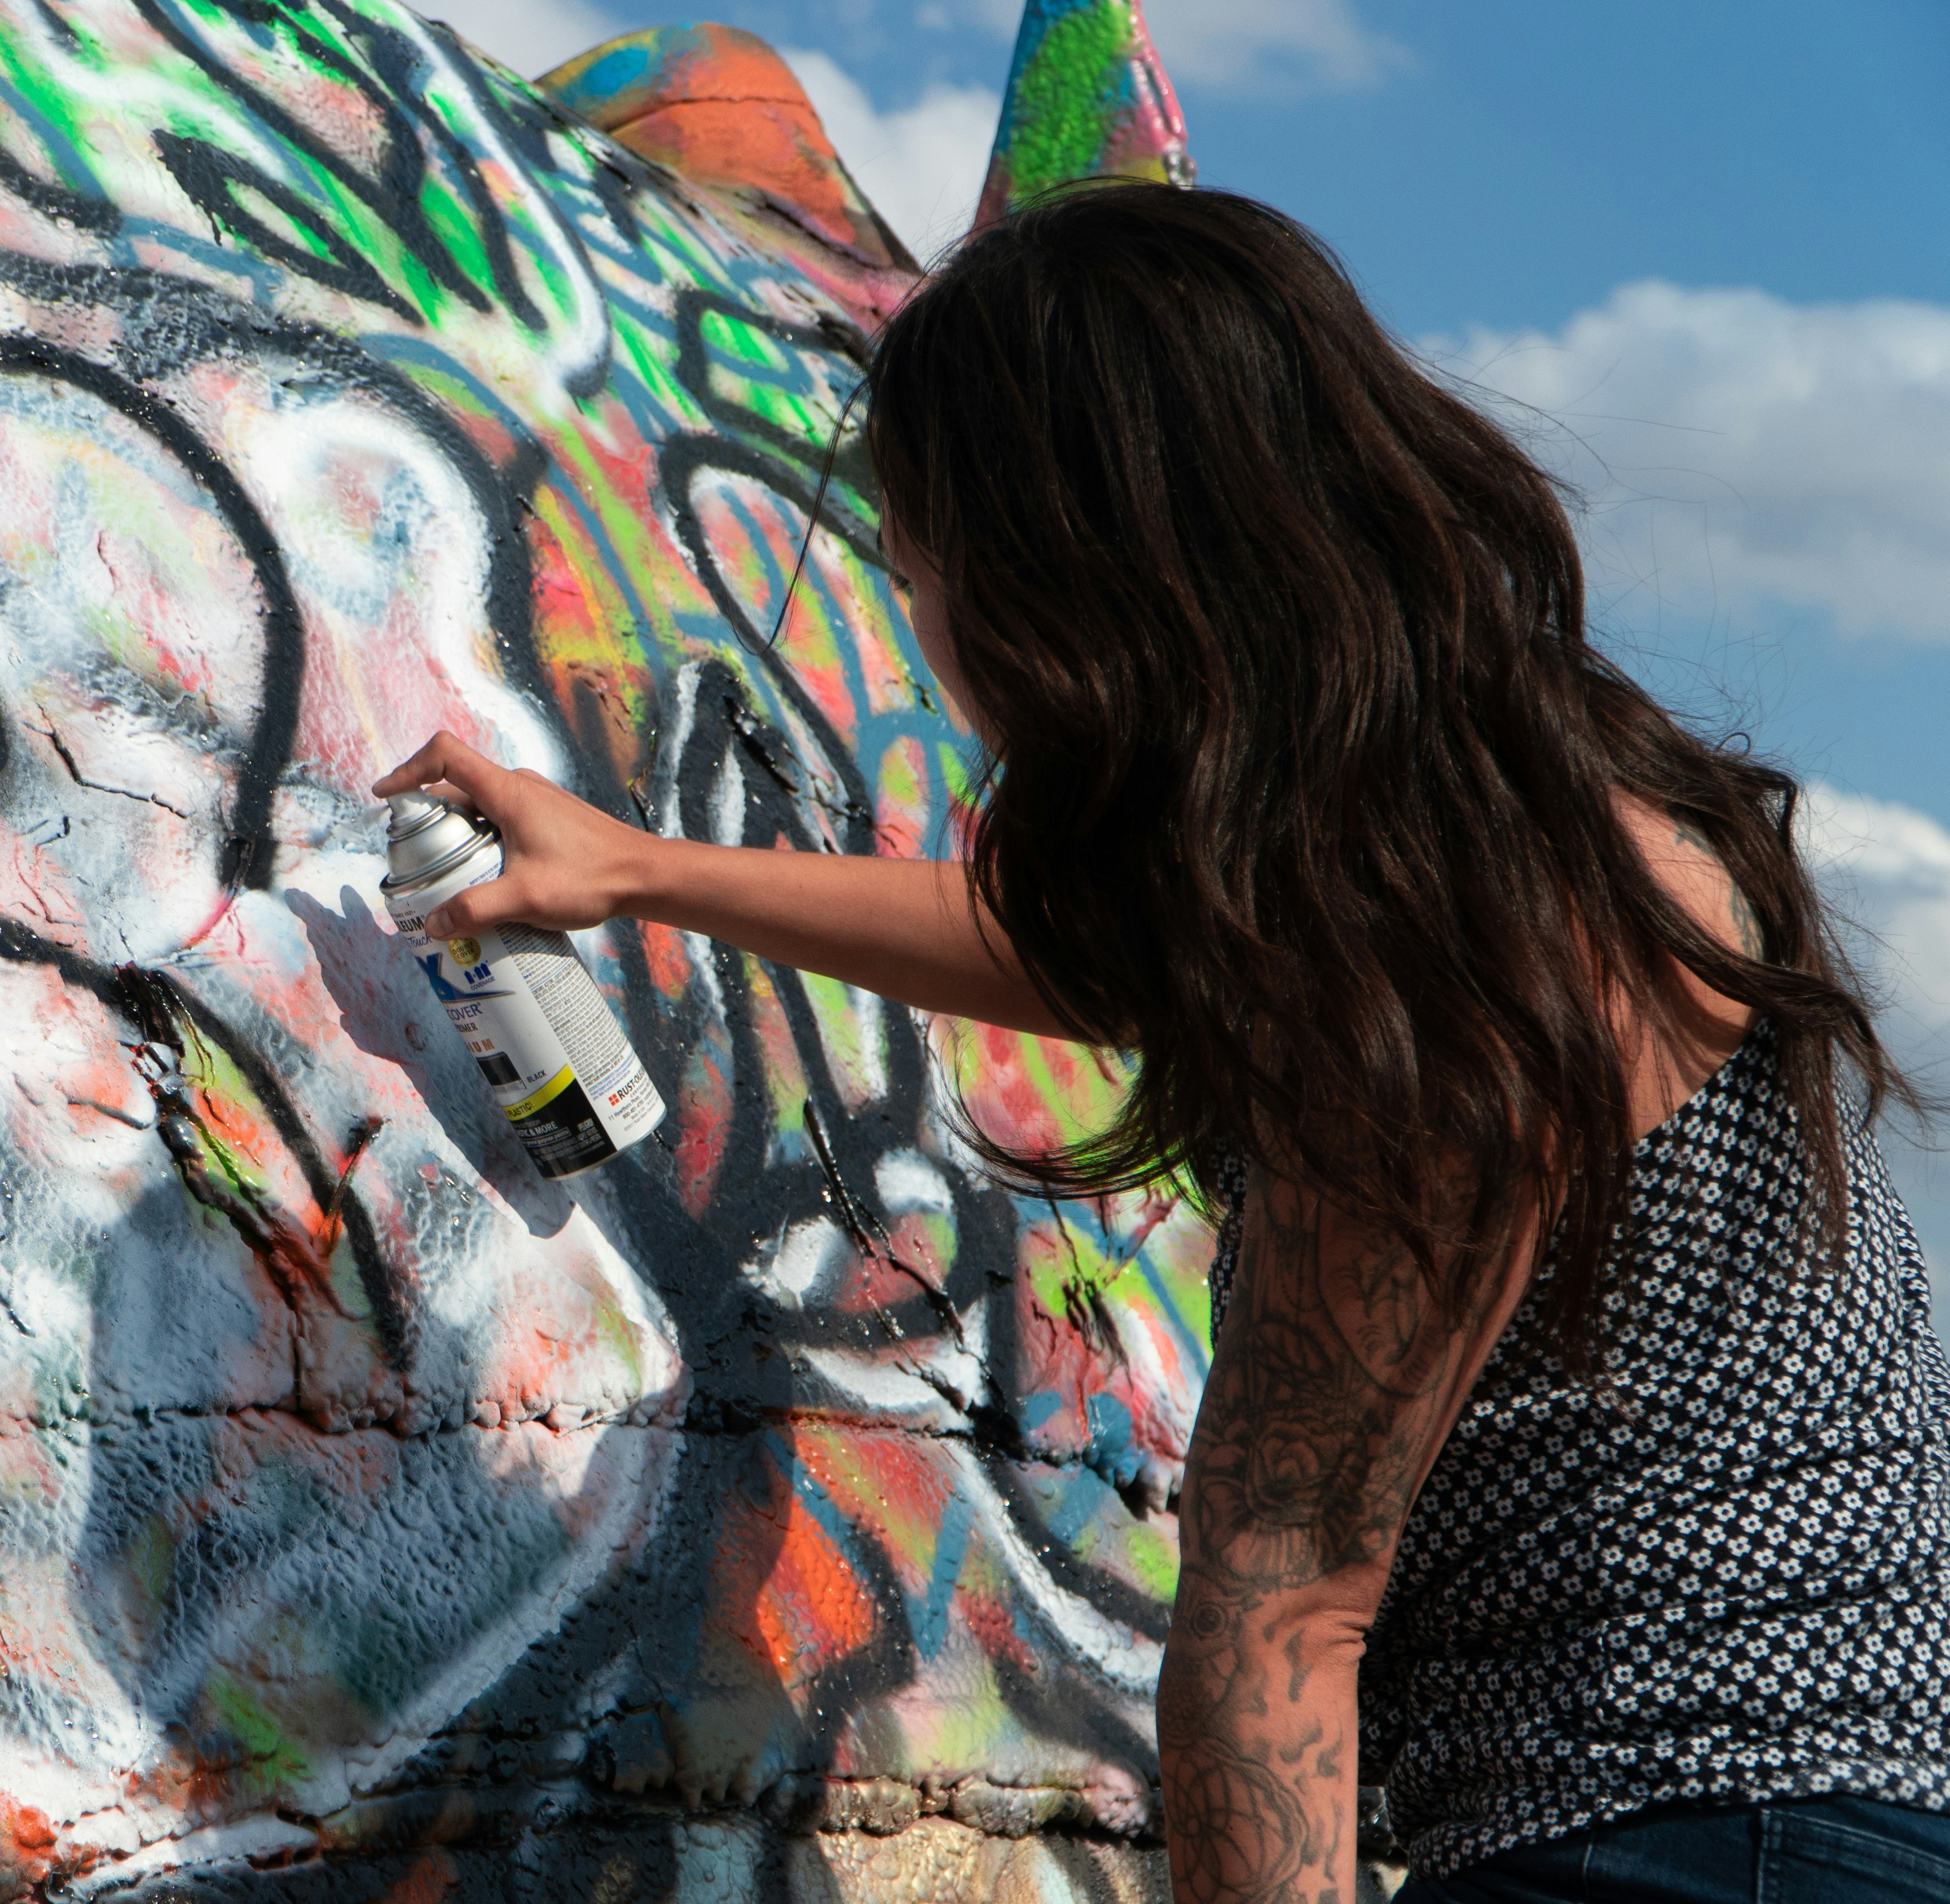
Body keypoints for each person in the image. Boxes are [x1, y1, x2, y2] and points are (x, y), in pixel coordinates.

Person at [373, 184, 1950, 1904]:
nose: (932, 637)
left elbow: (1283, 1606)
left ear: (1076, 585)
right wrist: (642, 868)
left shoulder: (1454, 954)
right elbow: (1136, 962)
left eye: (926, 568)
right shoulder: (1530, 819)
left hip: (1693, 1843)